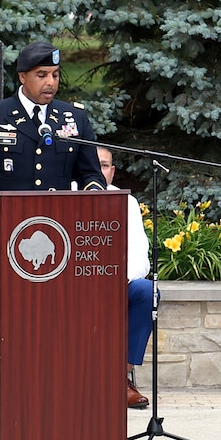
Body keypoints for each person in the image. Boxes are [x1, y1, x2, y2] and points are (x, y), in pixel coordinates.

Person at [0, 40, 106, 209]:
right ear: (23, 76)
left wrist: (94, 191)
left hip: (60, 219)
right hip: (9, 219)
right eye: (42, 75)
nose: (50, 82)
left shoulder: (74, 117)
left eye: (55, 75)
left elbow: (91, 174)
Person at [97, 147, 155, 410]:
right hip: (73, 286)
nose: (100, 171)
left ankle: (121, 376)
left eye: (105, 165)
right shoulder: (66, 194)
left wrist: (120, 279)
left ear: (112, 171)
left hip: (117, 283)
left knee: (147, 290)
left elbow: (141, 256)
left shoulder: (126, 201)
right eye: (95, 165)